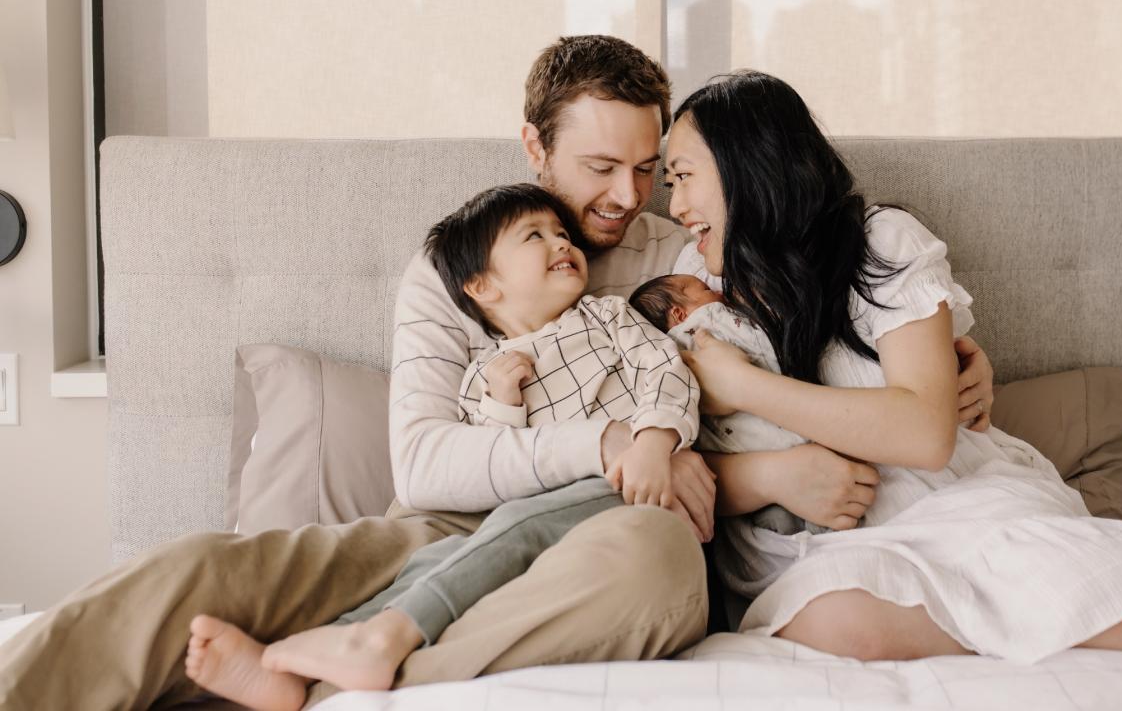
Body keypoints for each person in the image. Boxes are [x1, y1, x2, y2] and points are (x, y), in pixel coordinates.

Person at [0, 34, 999, 710]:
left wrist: (957, 356)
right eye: (601, 167)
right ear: (533, 145)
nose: (629, 196)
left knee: (649, 562)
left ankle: (345, 677)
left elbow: (831, 341)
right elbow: (428, 465)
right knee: (207, 568)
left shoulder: (692, 253)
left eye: (650, 167)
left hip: (621, 544)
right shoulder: (461, 266)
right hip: (448, 532)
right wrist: (606, 442)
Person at [664, 69, 1122, 708]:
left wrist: (748, 389)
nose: (672, 204)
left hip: (958, 506)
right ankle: (1050, 619)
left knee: (1099, 590)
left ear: (746, 164)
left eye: (683, 175)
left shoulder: (877, 244)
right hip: (823, 557)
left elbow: (925, 434)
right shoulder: (684, 293)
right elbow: (667, 464)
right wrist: (772, 473)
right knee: (836, 623)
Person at [187, 184, 701, 709]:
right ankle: (345, 644)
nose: (562, 244)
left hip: (618, 492)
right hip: (521, 519)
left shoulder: (611, 318)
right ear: (482, 286)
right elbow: (490, 465)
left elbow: (667, 374)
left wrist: (654, 445)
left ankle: (354, 644)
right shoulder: (485, 373)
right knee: (449, 556)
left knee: (506, 537)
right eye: (535, 236)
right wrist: (502, 401)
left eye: (563, 234)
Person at [630, 273, 825, 538]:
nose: (718, 292)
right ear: (678, 313)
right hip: (778, 425)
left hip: (737, 448)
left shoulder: (667, 357)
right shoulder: (710, 319)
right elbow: (760, 341)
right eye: (705, 289)